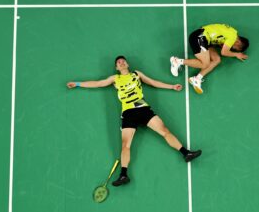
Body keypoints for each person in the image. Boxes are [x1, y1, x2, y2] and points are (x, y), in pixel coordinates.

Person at [67, 56, 202, 186]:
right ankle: (123, 175)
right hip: (128, 113)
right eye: (118, 62)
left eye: (123, 61)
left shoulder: (136, 74)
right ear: (116, 67)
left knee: (165, 131)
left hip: (143, 108)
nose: (121, 63)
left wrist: (171, 86)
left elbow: (152, 82)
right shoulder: (115, 78)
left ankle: (186, 153)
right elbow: (97, 84)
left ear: (127, 64)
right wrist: (78, 84)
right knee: (126, 145)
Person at [170, 23, 249, 94]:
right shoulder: (233, 36)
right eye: (235, 48)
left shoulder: (231, 33)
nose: (232, 48)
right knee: (205, 64)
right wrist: (237, 54)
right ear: (238, 43)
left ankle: (197, 79)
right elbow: (224, 52)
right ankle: (177, 61)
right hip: (200, 37)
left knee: (217, 59)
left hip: (206, 40)